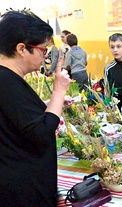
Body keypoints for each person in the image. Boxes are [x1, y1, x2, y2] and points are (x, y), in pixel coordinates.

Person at [0, 10, 72, 206]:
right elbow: (40, 132)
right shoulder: (6, 81)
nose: (45, 56)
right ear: (22, 49)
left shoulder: (8, 79)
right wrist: (59, 91)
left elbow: (18, 118)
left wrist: (51, 104)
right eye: (42, 50)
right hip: (22, 190)